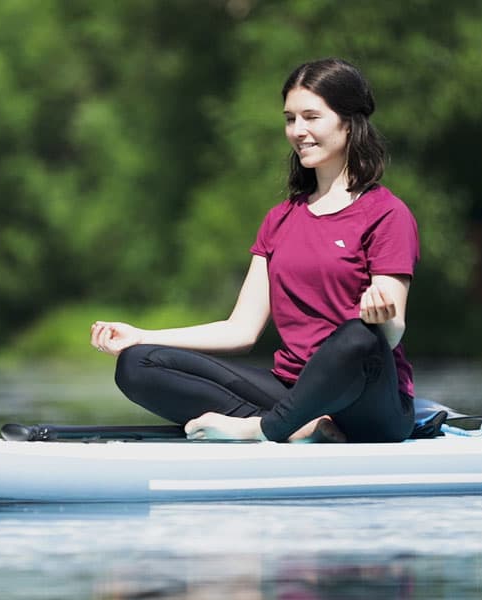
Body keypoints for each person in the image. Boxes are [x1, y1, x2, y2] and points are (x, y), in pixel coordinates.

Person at [90, 58, 420, 443]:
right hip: (291, 391)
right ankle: (304, 427)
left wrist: (381, 319)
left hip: (369, 405)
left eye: (311, 117)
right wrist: (142, 336)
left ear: (349, 121)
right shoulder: (279, 220)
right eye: (290, 119)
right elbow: (240, 330)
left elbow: (390, 335)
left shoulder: (386, 213)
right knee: (137, 364)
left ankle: (263, 428)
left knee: (358, 337)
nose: (298, 131)